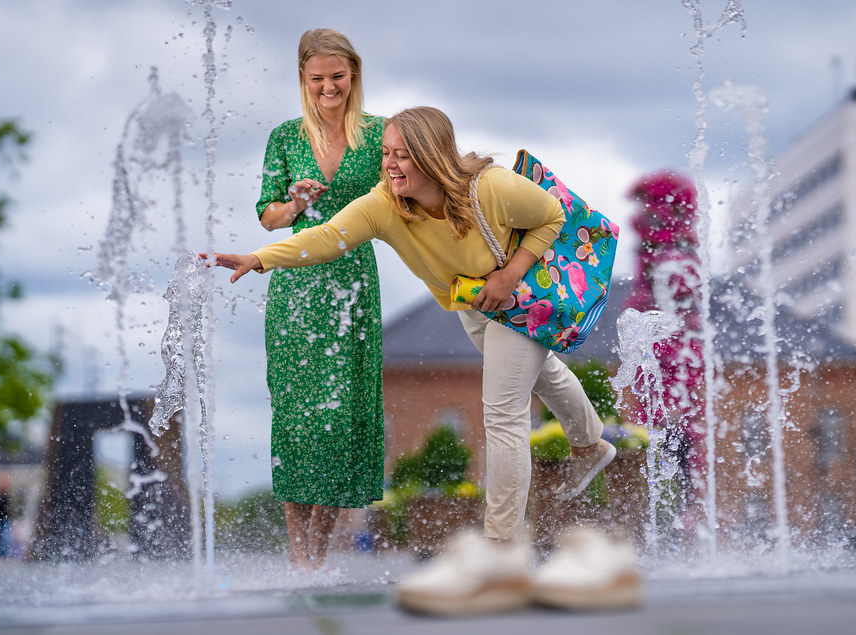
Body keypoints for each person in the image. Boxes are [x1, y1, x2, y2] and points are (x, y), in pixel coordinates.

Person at [203, 106, 619, 609]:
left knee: (503, 411)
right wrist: (260, 258)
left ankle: (500, 550)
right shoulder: (383, 204)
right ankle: (591, 444)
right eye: (386, 154)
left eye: (402, 155)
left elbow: (552, 216)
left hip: (519, 296)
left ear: (432, 156)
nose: (391, 165)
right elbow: (328, 237)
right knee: (545, 373)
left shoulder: (489, 187)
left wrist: (510, 276)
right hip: (472, 303)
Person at [255, 28, 385, 573]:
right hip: (296, 288)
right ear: (303, 81)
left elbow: (405, 197)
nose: (328, 87)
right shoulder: (285, 137)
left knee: (340, 419)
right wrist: (293, 201)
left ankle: (318, 548)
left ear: (353, 74)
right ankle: (297, 550)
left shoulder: (381, 134)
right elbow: (267, 216)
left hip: (352, 283)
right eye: (317, 79)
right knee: (297, 419)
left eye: (337, 76)